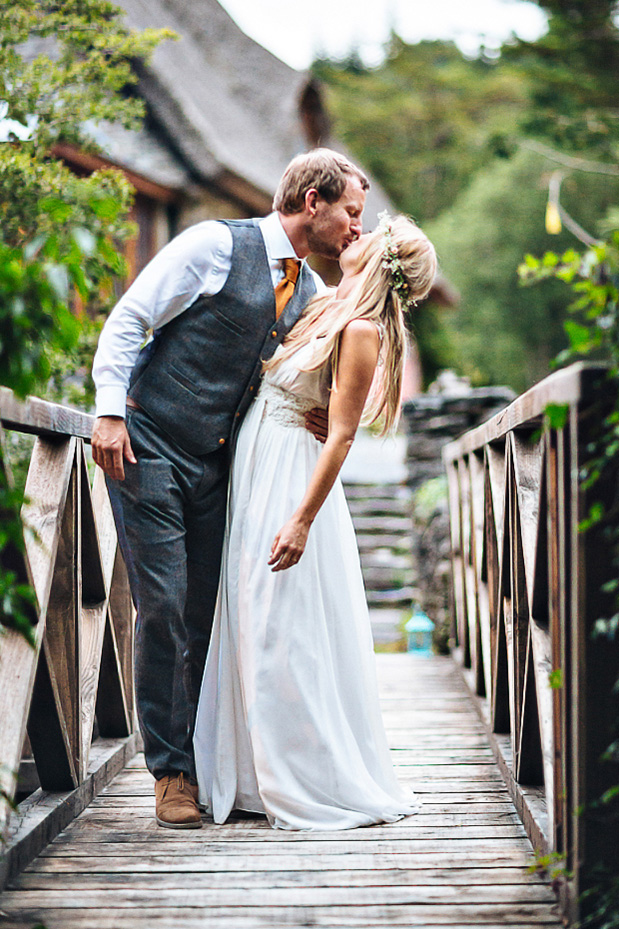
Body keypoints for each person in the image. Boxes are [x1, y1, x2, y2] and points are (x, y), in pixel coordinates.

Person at [91, 149, 369, 829]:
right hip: (150, 443)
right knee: (160, 604)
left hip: (220, 471)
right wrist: (106, 408)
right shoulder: (215, 244)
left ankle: (214, 761)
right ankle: (170, 772)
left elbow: (290, 380)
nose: (354, 229)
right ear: (312, 202)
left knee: (206, 612)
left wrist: (308, 408)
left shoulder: (307, 293)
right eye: (350, 212)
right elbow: (131, 318)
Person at [193, 213, 438, 831]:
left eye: (371, 233)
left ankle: (297, 774)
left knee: (281, 623)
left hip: (289, 478)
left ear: (383, 261)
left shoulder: (360, 332)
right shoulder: (322, 304)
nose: (355, 234)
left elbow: (343, 436)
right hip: (256, 465)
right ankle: (248, 772)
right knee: (248, 613)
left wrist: (301, 520)